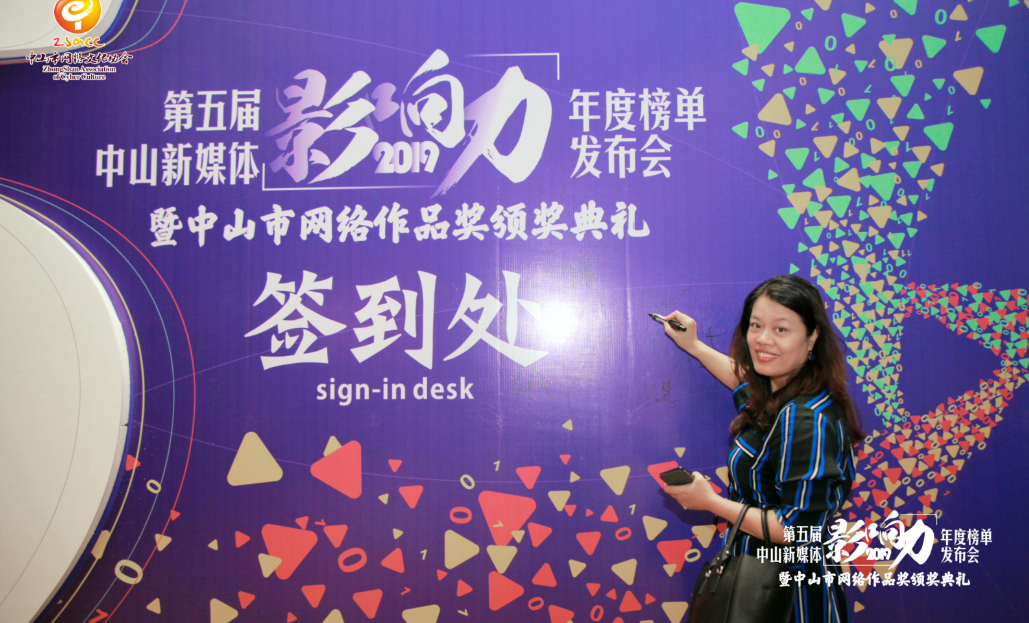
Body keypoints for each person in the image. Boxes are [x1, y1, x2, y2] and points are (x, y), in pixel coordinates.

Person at [660, 275, 863, 623]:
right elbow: (744, 382)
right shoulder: (780, 394)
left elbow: (794, 529)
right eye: (756, 325)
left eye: (781, 329)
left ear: (812, 336)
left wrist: (710, 503)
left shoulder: (805, 419)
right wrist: (694, 345)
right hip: (756, 581)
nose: (763, 339)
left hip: (788, 597)